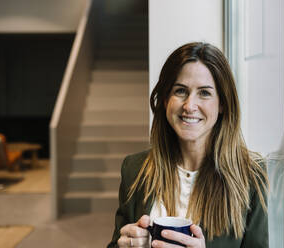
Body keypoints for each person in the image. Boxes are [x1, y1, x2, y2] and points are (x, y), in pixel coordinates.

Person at [107, 42, 269, 248]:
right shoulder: (135, 169)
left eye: (204, 93)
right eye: (181, 91)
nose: (189, 106)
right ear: (165, 99)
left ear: (222, 104)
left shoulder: (252, 174)